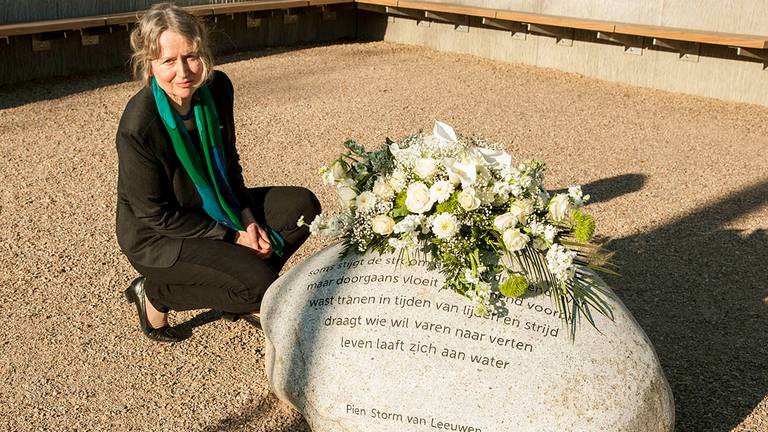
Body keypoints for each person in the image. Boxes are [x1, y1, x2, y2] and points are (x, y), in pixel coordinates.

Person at [116, 3, 320, 342]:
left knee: (304, 208)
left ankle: (241, 287)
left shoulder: (217, 89)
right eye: (168, 61)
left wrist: (248, 218)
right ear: (150, 64)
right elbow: (157, 215)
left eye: (191, 56)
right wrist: (234, 237)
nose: (183, 71)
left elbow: (228, 165)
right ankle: (155, 293)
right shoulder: (139, 126)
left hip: (217, 206)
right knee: (264, 287)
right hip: (160, 236)